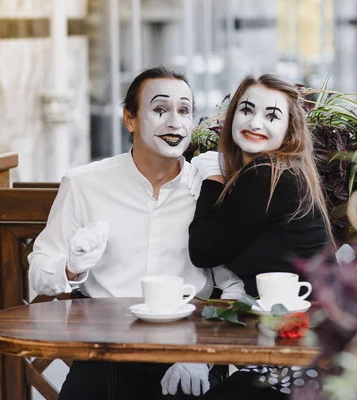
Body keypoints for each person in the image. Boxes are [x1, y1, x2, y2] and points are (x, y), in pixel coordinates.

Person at [28, 66, 244, 399]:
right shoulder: (85, 183)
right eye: (160, 109)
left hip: (189, 351)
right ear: (130, 119)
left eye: (184, 111)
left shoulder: (209, 187)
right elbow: (39, 272)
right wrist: (72, 265)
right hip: (103, 353)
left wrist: (202, 354)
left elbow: (234, 286)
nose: (174, 121)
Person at [187, 74, 333, 399]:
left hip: (303, 358)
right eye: (247, 110)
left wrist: (212, 178)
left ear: (288, 130)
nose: (256, 122)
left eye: (272, 116)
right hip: (293, 346)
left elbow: (203, 249)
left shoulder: (268, 175)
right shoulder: (283, 172)